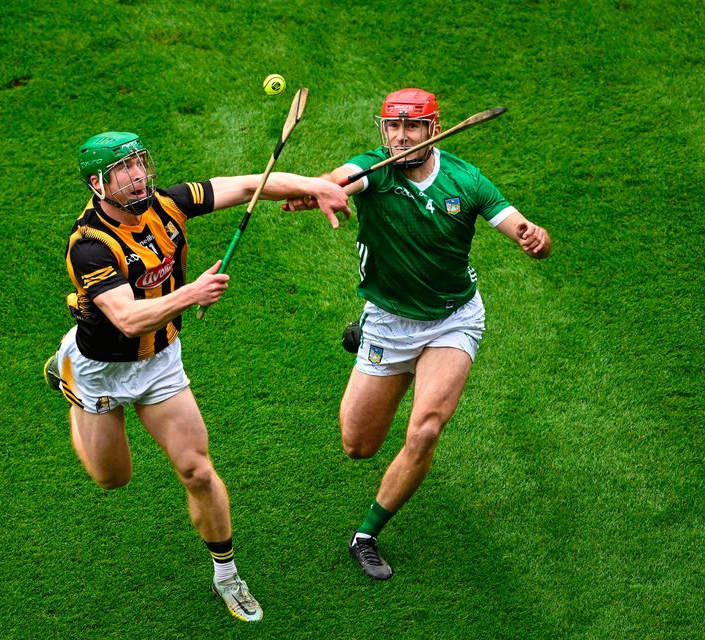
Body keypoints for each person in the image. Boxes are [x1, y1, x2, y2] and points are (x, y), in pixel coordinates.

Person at [44, 131, 350, 620]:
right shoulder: (89, 247)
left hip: (160, 361)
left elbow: (251, 183)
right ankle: (70, 382)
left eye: (141, 163)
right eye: (125, 170)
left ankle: (227, 576)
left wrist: (317, 185)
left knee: (197, 472)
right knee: (112, 479)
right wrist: (194, 293)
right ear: (98, 183)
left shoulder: (168, 204)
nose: (139, 175)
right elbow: (127, 318)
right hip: (100, 370)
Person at [286, 88, 552, 580]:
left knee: (426, 428)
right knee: (358, 444)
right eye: (393, 127)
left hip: (453, 317)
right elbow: (337, 180)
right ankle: (365, 332)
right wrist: (316, 189)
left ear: (433, 128)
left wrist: (534, 239)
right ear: (382, 128)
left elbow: (521, 228)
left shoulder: (465, 180)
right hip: (390, 320)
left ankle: (365, 535)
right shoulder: (374, 170)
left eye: (412, 127)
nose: (401, 137)